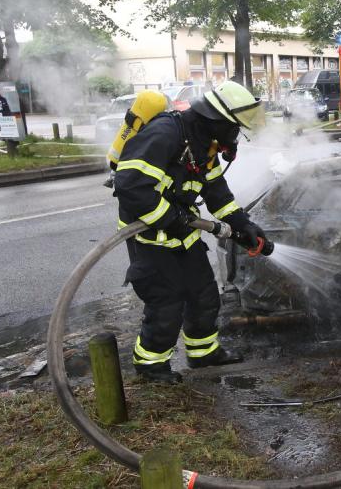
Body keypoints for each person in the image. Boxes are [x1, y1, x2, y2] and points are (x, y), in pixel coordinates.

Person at [114, 80, 269, 383]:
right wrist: (170, 218)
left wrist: (242, 224)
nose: (235, 135)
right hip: (150, 238)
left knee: (204, 295)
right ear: (218, 121)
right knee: (166, 302)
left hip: (184, 235)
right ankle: (151, 367)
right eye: (234, 128)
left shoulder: (204, 144)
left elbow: (216, 191)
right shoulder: (165, 135)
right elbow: (130, 186)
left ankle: (203, 354)